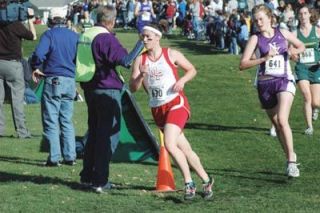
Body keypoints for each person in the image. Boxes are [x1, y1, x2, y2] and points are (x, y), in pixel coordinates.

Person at [129, 24, 214, 200]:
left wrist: (182, 81)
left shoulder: (171, 54)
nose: (144, 40)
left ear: (157, 37)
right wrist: (140, 76)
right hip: (157, 109)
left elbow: (192, 70)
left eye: (148, 37)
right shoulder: (140, 60)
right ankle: (206, 179)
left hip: (176, 104)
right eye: (142, 37)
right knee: (185, 148)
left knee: (169, 143)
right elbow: (133, 88)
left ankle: (188, 182)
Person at [79, 5, 143, 193]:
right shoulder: (106, 38)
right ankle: (100, 180)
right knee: (107, 138)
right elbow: (126, 61)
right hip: (107, 90)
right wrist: (140, 44)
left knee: (94, 134)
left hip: (90, 88)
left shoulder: (86, 34)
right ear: (112, 21)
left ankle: (87, 176)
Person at [239, 4, 305, 178]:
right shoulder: (255, 39)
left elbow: (301, 46)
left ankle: (291, 162)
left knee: (283, 120)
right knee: (277, 124)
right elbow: (243, 64)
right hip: (265, 85)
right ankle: (290, 156)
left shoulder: (282, 33)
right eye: (256, 20)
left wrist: (292, 51)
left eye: (261, 19)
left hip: (284, 80)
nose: (259, 23)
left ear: (270, 18)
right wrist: (263, 58)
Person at [31, 9, 79, 167]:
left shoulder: (49, 35)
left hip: (53, 79)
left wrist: (36, 66)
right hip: (70, 80)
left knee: (51, 120)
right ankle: (70, 156)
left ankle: (54, 157)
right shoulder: (74, 35)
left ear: (51, 21)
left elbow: (38, 54)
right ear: (64, 20)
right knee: (66, 120)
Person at [0, 8, 36, 138]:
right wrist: (30, 20)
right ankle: (21, 131)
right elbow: (33, 36)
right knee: (17, 100)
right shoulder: (15, 25)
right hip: (13, 64)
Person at [293, 4, 320, 135]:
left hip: (316, 68)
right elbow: (289, 49)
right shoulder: (295, 33)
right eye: (300, 14)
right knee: (307, 97)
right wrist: (293, 55)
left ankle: (315, 108)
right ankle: (309, 126)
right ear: (298, 16)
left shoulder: (317, 31)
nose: (303, 16)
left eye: (305, 13)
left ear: (310, 14)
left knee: (316, 102)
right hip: (301, 68)